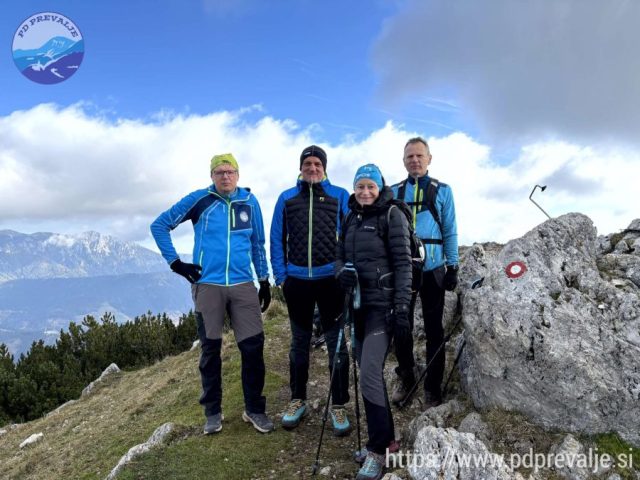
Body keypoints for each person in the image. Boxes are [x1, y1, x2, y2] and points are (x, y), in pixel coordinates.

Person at [150, 153, 274, 434]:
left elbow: (258, 243)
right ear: (212, 176)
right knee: (210, 351)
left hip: (243, 284)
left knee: (253, 349)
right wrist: (176, 263)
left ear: (238, 175)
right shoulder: (200, 200)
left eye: (230, 172)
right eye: (219, 172)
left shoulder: (250, 201)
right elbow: (159, 225)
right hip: (207, 285)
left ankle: (255, 410)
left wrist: (264, 279)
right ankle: (213, 413)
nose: (225, 177)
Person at [335, 164, 412, 480]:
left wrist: (402, 307)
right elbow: (339, 256)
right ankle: (388, 442)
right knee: (369, 375)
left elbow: (403, 264)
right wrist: (341, 274)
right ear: (354, 189)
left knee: (368, 373)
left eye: (370, 186)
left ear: (380, 187)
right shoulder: (350, 217)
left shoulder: (392, 215)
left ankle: (378, 451)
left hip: (383, 309)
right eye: (360, 186)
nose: (365, 192)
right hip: (358, 309)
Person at [270, 145, 352, 435]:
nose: (313, 168)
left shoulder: (340, 195)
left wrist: (345, 271)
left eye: (318, 163)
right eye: (308, 163)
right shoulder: (286, 198)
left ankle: (339, 404)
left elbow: (350, 235)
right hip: (296, 282)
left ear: (324, 167)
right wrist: (281, 276)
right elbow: (277, 237)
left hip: (331, 280)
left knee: (336, 344)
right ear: (301, 167)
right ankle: (297, 399)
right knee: (299, 344)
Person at [390, 137, 459, 407]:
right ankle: (407, 378)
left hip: (433, 270)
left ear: (429, 159)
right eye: (410, 156)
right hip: (402, 271)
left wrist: (453, 266)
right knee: (401, 327)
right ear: (403, 161)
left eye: (420, 155)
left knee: (434, 330)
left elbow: (450, 230)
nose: (415, 160)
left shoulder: (443, 191)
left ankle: (432, 387)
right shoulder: (393, 192)